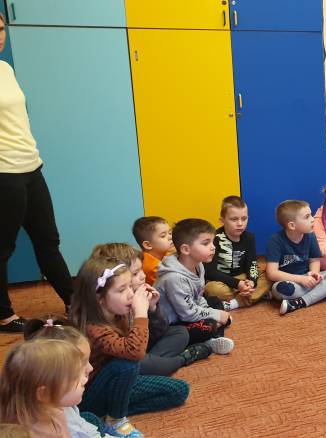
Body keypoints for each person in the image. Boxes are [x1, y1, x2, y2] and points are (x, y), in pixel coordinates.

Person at [0, 12, 73, 333]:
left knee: (49, 241)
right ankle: (3, 315)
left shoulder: (5, 68)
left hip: (31, 166)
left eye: (0, 28)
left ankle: (74, 301)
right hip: (4, 173)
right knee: (3, 248)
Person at [69, 258, 190, 436]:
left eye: (129, 287)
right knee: (127, 363)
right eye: (121, 290)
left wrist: (151, 308)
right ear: (99, 299)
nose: (130, 294)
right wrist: (140, 313)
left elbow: (148, 338)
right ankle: (116, 419)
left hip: (117, 383)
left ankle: (110, 411)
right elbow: (135, 352)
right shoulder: (93, 329)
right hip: (90, 394)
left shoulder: (119, 313)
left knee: (179, 391)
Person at [91, 243, 211, 375]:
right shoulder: (111, 310)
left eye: (141, 270)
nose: (143, 276)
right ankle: (180, 360)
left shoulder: (132, 296)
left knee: (179, 332)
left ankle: (155, 365)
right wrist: (140, 314)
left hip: (138, 347)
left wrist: (153, 308)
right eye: (135, 273)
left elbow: (158, 332)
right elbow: (132, 350)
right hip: (125, 356)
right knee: (136, 362)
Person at [22, 317, 116, 437]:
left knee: (90, 418)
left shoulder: (59, 403)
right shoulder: (51, 427)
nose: (90, 368)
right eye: (81, 366)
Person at [155, 219, 235, 351]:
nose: (213, 247)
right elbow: (187, 314)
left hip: (187, 310)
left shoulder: (198, 265)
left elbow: (198, 296)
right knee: (204, 327)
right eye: (206, 243)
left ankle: (213, 334)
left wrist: (210, 311)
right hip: (173, 323)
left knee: (215, 301)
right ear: (186, 249)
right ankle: (210, 339)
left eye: (212, 242)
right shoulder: (174, 278)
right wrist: (216, 315)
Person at [0, 339, 94, 437]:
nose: (84, 380)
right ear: (44, 394)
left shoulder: (57, 413)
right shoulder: (25, 434)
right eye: (74, 377)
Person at [266, 200, 326, 316]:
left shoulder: (310, 235)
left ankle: (300, 302)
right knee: (282, 289)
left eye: (311, 215)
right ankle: (325, 292)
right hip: (290, 281)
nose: (312, 219)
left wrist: (314, 273)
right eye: (307, 217)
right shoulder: (275, 241)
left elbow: (314, 260)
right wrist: (301, 279)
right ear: (292, 225)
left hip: (308, 277)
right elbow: (272, 273)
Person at [203, 196, 270, 311]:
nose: (240, 223)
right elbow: (210, 272)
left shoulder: (249, 238)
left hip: (243, 277)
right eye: (234, 219)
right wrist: (237, 284)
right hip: (222, 281)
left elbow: (252, 264)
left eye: (244, 219)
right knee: (212, 290)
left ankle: (236, 301)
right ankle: (254, 296)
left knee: (269, 275)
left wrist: (252, 282)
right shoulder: (215, 239)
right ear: (222, 220)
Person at [131, 216, 173, 287]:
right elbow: (171, 284)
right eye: (163, 236)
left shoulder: (165, 252)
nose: (170, 237)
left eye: (170, 233)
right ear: (148, 245)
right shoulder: (153, 267)